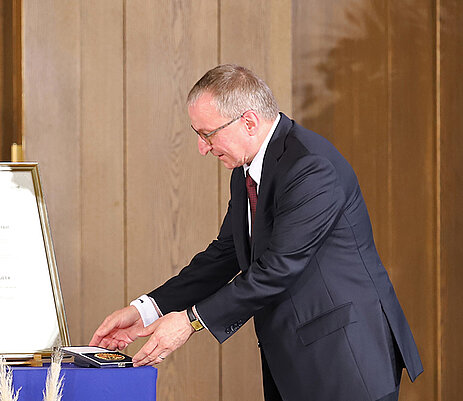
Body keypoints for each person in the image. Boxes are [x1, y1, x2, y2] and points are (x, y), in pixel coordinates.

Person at [90, 64, 423, 401]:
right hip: (296, 358)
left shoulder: (311, 167)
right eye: (197, 134)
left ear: (248, 121)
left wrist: (190, 321)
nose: (202, 148)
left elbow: (278, 269)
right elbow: (225, 254)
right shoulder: (246, 168)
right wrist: (147, 310)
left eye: (207, 134)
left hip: (346, 357)